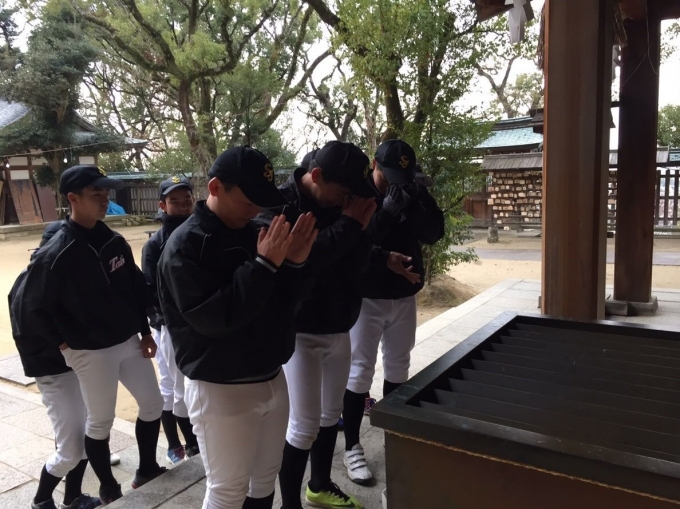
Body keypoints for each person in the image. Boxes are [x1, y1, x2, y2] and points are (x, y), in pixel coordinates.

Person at [158, 146, 318, 509]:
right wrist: (264, 266)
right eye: (248, 201)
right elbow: (213, 319)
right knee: (227, 490)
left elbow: (287, 304)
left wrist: (295, 264)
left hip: (272, 375)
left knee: (264, 480)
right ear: (216, 187)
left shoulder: (257, 231)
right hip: (221, 386)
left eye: (261, 202)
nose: (256, 209)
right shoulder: (185, 246)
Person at [16, 165, 167, 504]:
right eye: (96, 194)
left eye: (105, 192)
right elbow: (33, 308)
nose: (104, 199)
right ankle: (109, 488)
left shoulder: (113, 241)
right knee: (100, 422)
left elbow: (133, 289)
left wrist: (144, 331)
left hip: (128, 340)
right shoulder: (56, 252)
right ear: (73, 198)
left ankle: (146, 468)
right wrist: (65, 346)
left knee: (152, 403)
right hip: (90, 351)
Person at [264, 141, 377, 509]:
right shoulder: (281, 206)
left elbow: (356, 260)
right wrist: (350, 226)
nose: (348, 200)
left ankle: (320, 485)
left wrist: (359, 232)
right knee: (303, 423)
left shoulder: (344, 208)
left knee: (330, 415)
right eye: (344, 191)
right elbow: (301, 262)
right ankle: (290, 503)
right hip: (300, 332)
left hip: (340, 324)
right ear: (316, 176)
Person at [342, 140, 444, 484]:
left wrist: (414, 204)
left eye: (402, 176)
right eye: (389, 175)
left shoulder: (412, 188)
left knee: (399, 366)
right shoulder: (359, 194)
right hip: (367, 297)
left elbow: (434, 233)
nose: (394, 182)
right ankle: (352, 446)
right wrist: (385, 212)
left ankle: (394, 437)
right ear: (375, 165)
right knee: (359, 370)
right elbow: (357, 242)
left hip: (403, 295)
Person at [9, 228, 102, 509]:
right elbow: (29, 334)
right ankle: (41, 499)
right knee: (70, 449)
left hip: (75, 368)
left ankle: (73, 497)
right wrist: (69, 345)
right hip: (55, 372)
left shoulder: (58, 278)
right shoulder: (30, 284)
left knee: (86, 436)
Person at [142, 176, 199, 465]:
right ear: (162, 205)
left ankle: (192, 441)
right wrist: (164, 322)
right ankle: (184, 444)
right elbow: (150, 289)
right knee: (175, 387)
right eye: (174, 202)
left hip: (198, 322)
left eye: (186, 200)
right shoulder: (155, 245)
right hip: (170, 327)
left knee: (190, 383)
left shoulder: (201, 231)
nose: (182, 206)